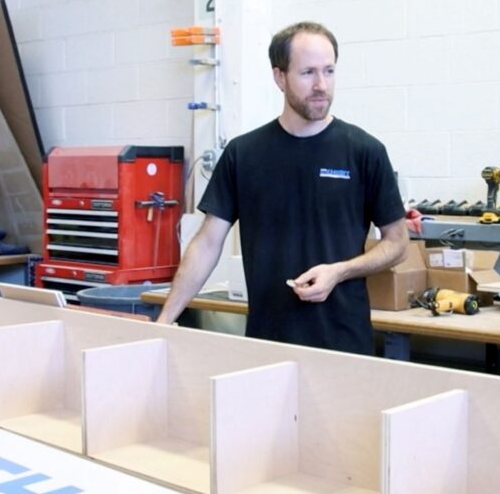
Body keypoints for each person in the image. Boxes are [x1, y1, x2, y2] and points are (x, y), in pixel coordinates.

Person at [156, 21, 409, 355]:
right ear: (279, 77)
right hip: (267, 343)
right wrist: (163, 323)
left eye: (329, 71)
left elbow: (398, 242)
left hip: (344, 346)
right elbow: (207, 244)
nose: (321, 85)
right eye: (307, 73)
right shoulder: (243, 154)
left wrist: (339, 271)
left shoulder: (364, 152)